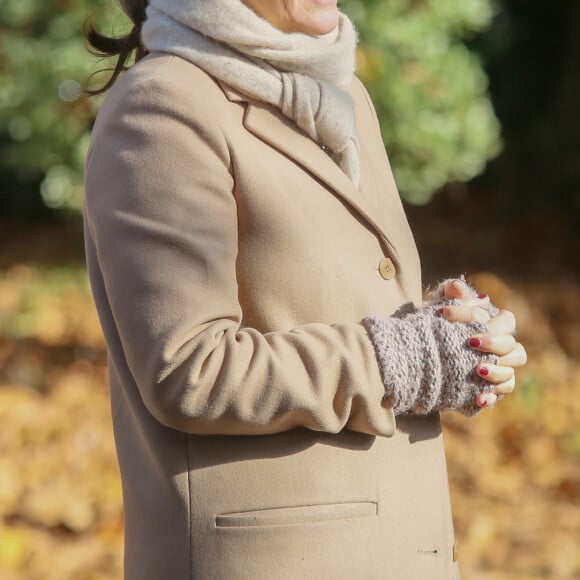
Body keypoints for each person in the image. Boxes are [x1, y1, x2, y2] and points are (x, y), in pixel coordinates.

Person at [83, 1, 527, 578]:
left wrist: (456, 340)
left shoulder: (345, 99)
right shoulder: (162, 105)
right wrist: (404, 357)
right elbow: (188, 367)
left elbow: (349, 304)